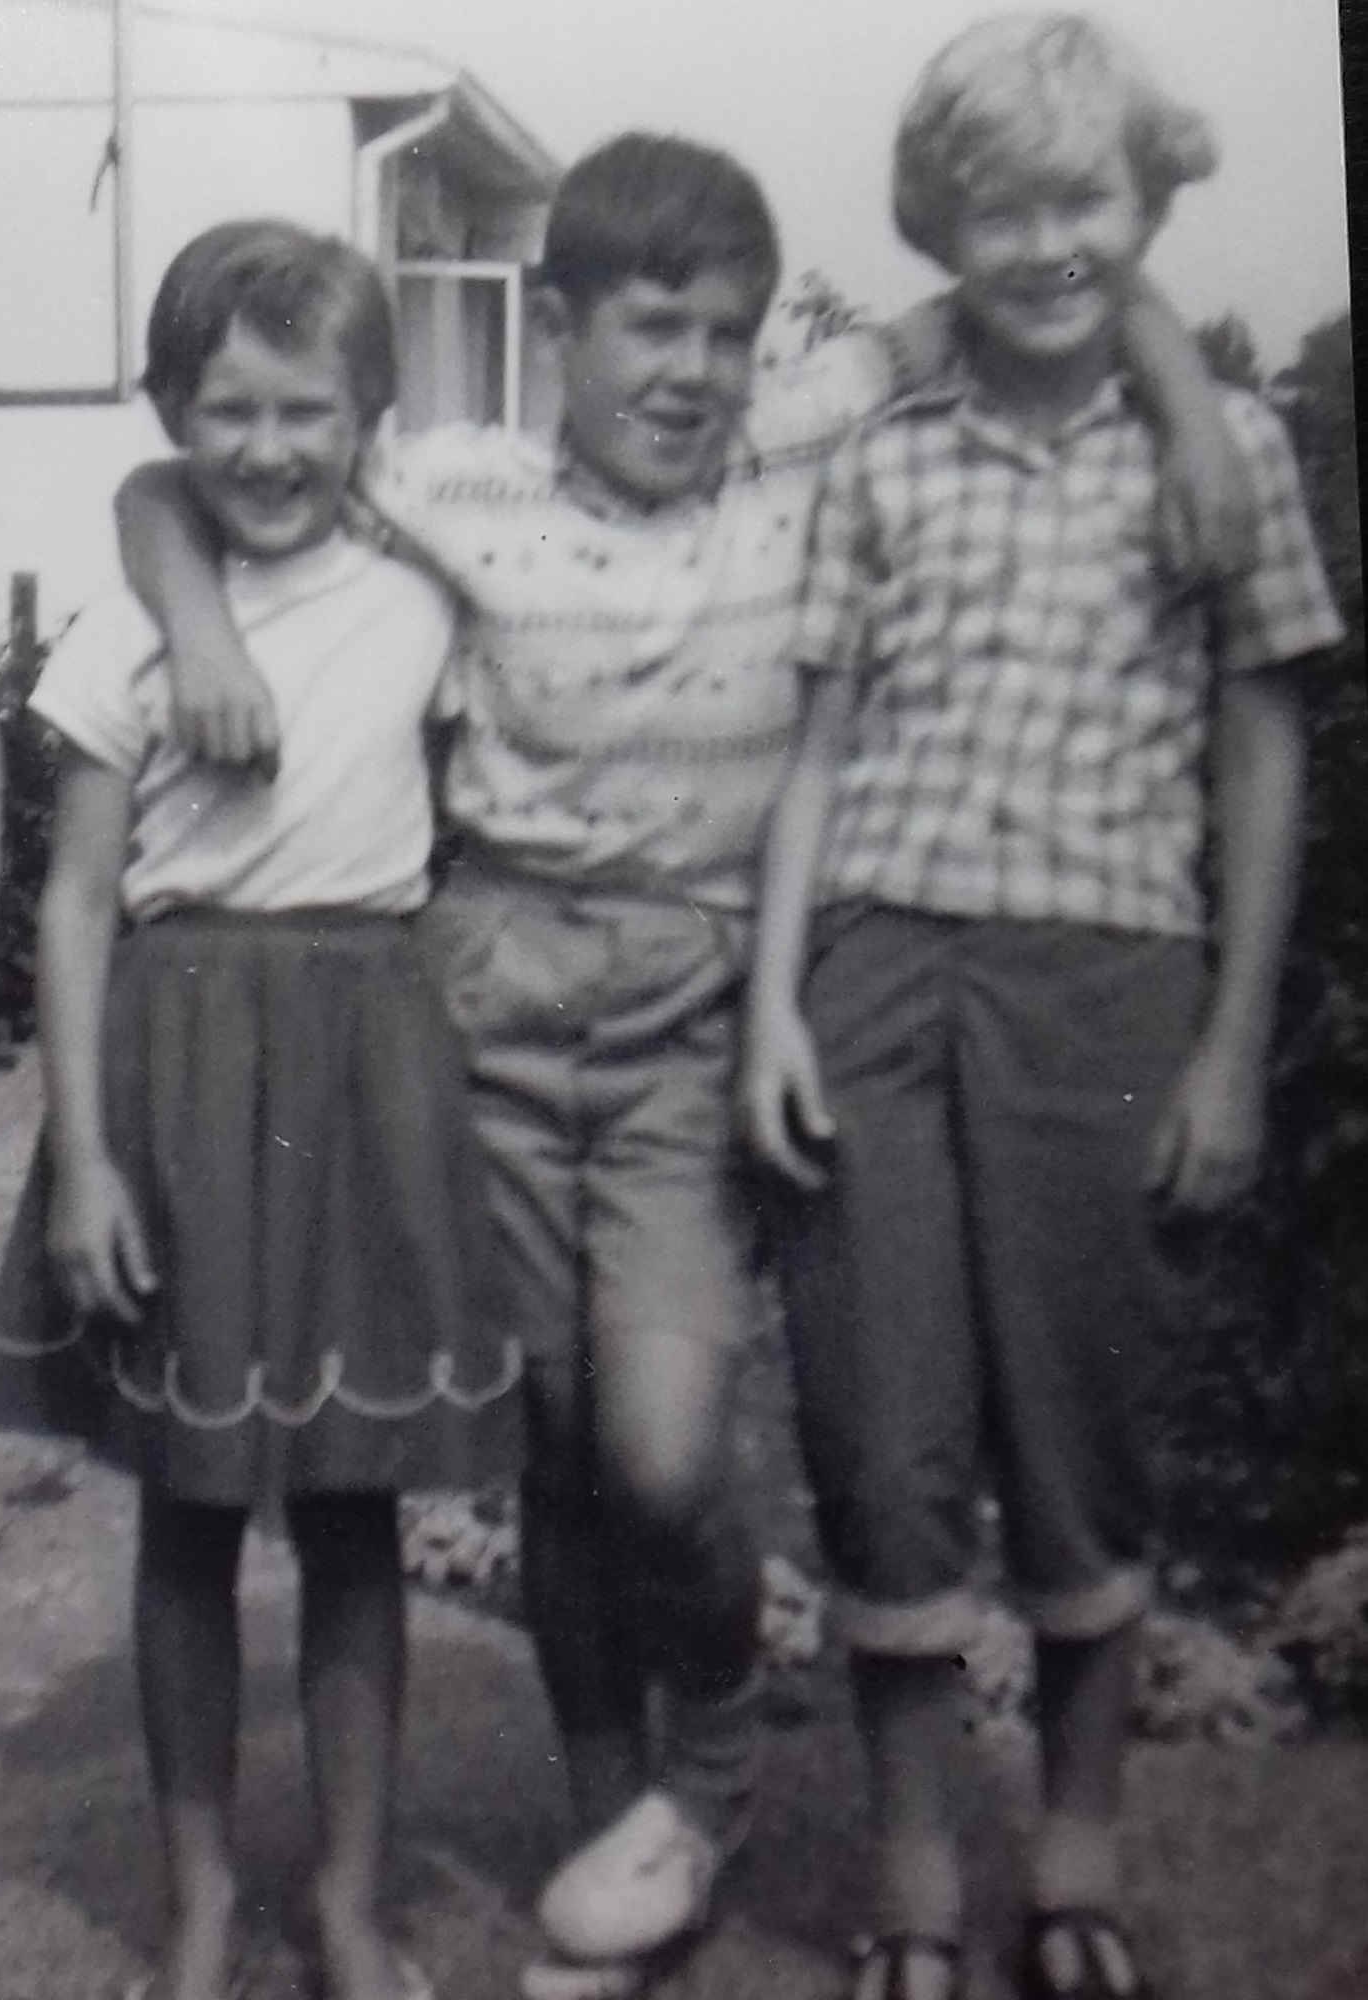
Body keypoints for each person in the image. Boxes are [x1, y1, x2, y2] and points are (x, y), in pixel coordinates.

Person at [114, 132, 1250, 1999]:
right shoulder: (449, 480)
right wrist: (198, 623)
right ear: (553, 330)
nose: (690, 375)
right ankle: (613, 1826)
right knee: (556, 1459)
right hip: (478, 1014)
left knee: (656, 1455)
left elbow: (1037, 270)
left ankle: (708, 1756)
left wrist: (1193, 401)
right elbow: (179, 476)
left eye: (725, 334)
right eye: (649, 331)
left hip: (684, 1034)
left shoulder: (793, 440)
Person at [743, 18, 1342, 2000]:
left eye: (1083, 199)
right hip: (879, 966)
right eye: (995, 208)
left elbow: (1262, 749)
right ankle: (915, 1878)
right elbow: (815, 750)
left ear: (1151, 209)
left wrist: (1232, 1041)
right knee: (881, 1434)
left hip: (1108, 979)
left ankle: (1072, 1854)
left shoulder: (1222, 448)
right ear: (938, 226)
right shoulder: (882, 450)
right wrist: (771, 1006)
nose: (1043, 242)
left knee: (1087, 1439)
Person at [0, 220, 523, 2000]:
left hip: (368, 1067)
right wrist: (87, 1168)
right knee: (188, 1511)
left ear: (370, 415)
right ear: (170, 414)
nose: (266, 449)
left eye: (306, 410)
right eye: (225, 412)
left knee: (357, 1508)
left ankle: (347, 1902)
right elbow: (72, 903)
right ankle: (200, 1896)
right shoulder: (132, 637)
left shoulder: (430, 595)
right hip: (183, 1072)